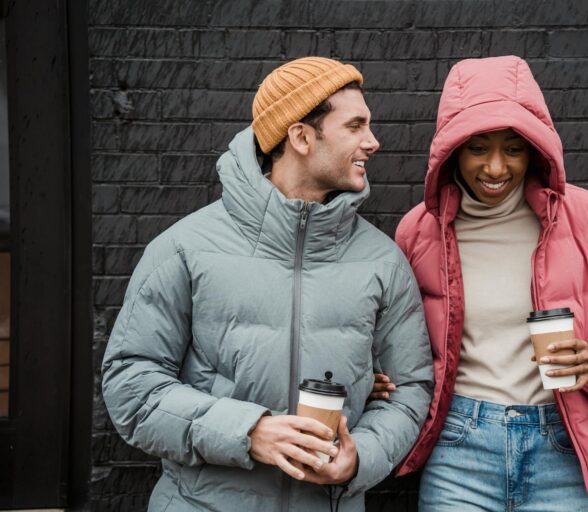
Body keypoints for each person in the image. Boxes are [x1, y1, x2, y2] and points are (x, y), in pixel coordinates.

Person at [101, 57, 434, 512]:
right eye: (354, 126)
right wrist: (248, 431)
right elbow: (130, 386)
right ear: (300, 136)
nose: (372, 142)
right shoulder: (183, 249)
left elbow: (412, 390)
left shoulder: (383, 261)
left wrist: (363, 457)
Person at [371, 55, 588, 511]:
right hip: (458, 448)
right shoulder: (419, 230)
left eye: (512, 148)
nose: (494, 168)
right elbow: (395, 345)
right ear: (452, 150)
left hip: (564, 448)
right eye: (478, 147)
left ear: (535, 149)